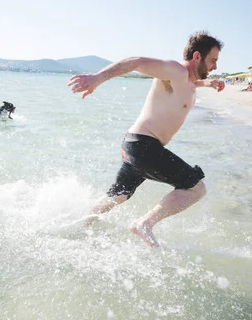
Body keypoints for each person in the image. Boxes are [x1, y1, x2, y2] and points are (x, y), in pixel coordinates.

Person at [67, 32, 225, 247]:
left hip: (136, 145)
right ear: (197, 56)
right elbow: (135, 62)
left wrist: (208, 84)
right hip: (144, 146)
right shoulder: (175, 71)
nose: (215, 65)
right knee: (196, 188)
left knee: (119, 195)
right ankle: (144, 224)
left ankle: (78, 226)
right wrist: (97, 78)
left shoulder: (186, 81)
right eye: (213, 60)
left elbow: (189, 86)